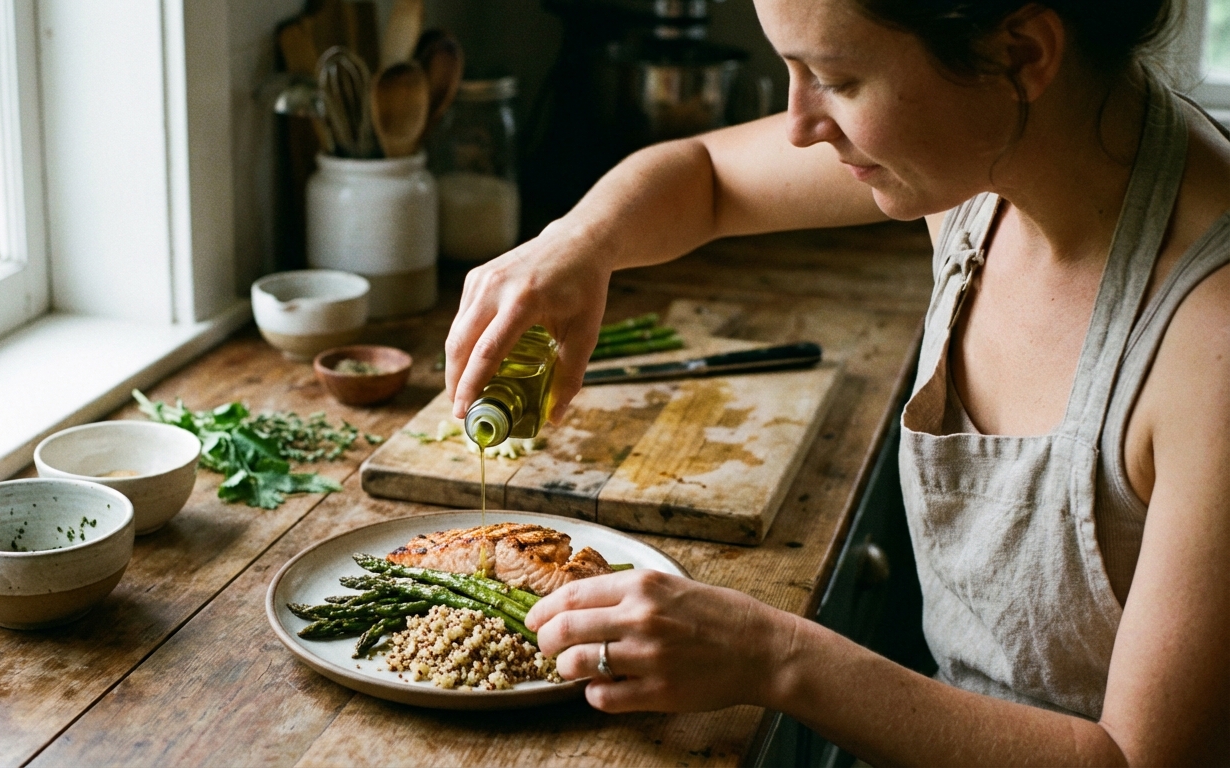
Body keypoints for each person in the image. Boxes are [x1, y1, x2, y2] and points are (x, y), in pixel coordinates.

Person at [443, 0, 1230, 763]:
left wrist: (774, 656)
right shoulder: (987, 162)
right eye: (790, 67)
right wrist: (578, 242)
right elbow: (709, 174)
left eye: (837, 79)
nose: (799, 124)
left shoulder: (1209, 341)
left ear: (1018, 55)